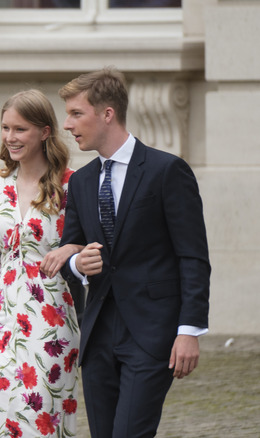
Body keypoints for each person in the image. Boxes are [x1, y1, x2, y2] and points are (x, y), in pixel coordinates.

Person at [57, 67, 210, 437]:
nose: (67, 124)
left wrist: (189, 330)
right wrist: (78, 264)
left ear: (107, 113)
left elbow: (193, 256)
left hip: (152, 331)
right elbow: (69, 251)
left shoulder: (167, 171)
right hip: (99, 333)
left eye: (76, 114)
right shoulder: (81, 181)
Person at [0, 89, 83, 437]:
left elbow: (92, 246)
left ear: (45, 132)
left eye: (20, 129)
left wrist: (71, 247)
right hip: (2, 322)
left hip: (51, 324)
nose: (10, 138)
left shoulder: (72, 185)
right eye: (5, 128)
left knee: (41, 420)